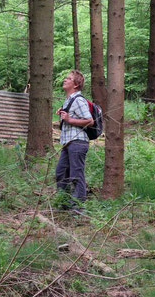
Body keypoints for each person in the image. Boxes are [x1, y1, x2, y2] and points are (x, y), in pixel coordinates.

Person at [55, 70, 94, 211]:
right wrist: (64, 112)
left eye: (69, 78)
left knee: (76, 175)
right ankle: (64, 203)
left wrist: (69, 119)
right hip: (68, 143)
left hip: (77, 142)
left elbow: (90, 121)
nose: (65, 80)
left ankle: (77, 208)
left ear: (76, 85)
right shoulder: (69, 100)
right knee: (61, 172)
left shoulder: (78, 100)